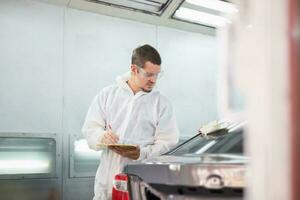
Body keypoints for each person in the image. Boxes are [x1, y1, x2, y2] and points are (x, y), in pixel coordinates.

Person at [82, 44, 179, 200]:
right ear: (134, 69)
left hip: (141, 186)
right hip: (105, 185)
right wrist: (101, 137)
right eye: (148, 75)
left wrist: (142, 153)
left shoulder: (161, 104)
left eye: (157, 75)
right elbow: (90, 130)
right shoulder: (108, 95)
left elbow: (168, 143)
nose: (153, 80)